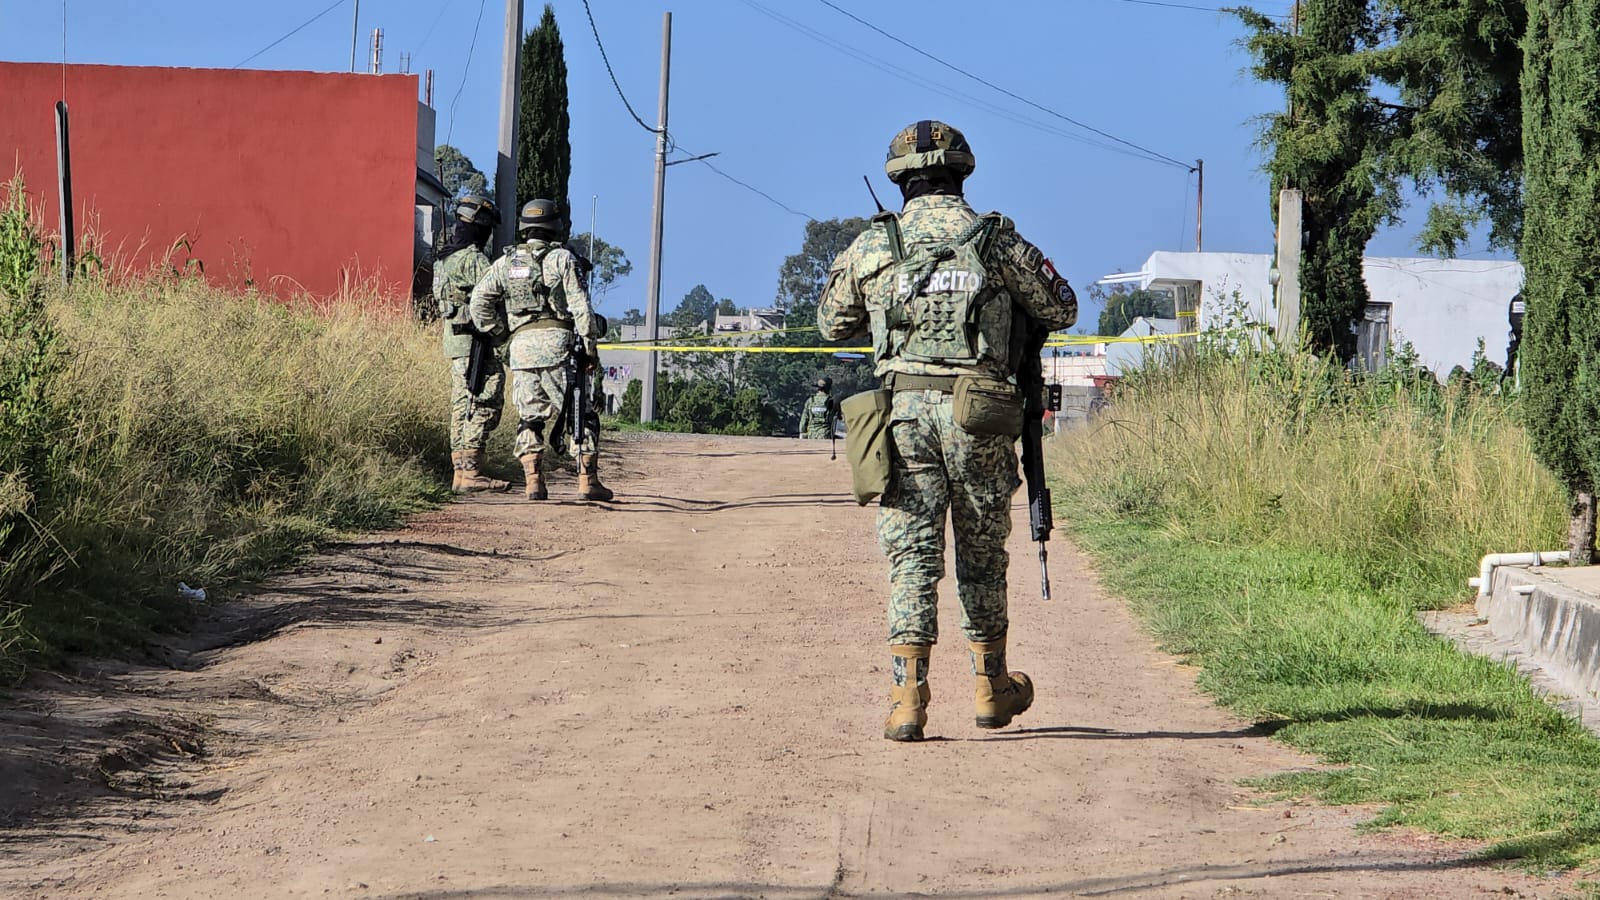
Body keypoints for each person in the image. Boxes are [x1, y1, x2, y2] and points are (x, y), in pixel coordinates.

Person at [818, 120, 1078, 742]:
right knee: (982, 556)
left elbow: (832, 323)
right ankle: (991, 689)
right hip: (979, 415)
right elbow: (1062, 307)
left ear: (901, 180)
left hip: (902, 415)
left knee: (913, 556)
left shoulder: (874, 244)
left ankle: (907, 699)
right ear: (962, 173)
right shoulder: (993, 240)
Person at [470, 198, 613, 501]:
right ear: (555, 225)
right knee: (580, 414)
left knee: (529, 417)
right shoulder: (562, 259)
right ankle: (588, 482)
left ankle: (534, 481)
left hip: (521, 350)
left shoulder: (506, 263)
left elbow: (478, 303)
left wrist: (502, 337)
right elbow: (582, 310)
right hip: (559, 347)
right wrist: (590, 351)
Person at [433, 194, 509, 494]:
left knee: (461, 404)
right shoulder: (473, 258)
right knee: (486, 399)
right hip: (476, 342)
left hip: (454, 343)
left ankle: (461, 473)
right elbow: (498, 292)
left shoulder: (444, 259)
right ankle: (472, 470)